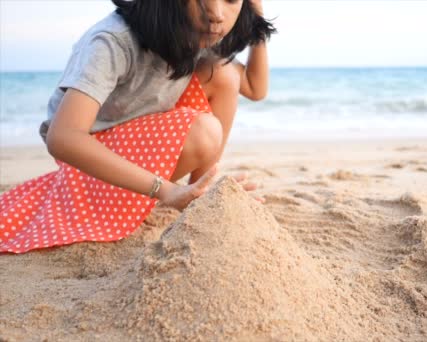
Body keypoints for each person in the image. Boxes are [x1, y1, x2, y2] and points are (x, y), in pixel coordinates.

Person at [0, 0, 276, 254]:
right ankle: (179, 195)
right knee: (205, 131)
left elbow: (254, 87)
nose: (216, 14)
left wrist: (256, 12)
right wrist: (165, 190)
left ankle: (198, 198)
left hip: (137, 141)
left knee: (224, 74)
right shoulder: (113, 41)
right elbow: (63, 138)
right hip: (87, 167)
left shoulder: (199, 29)